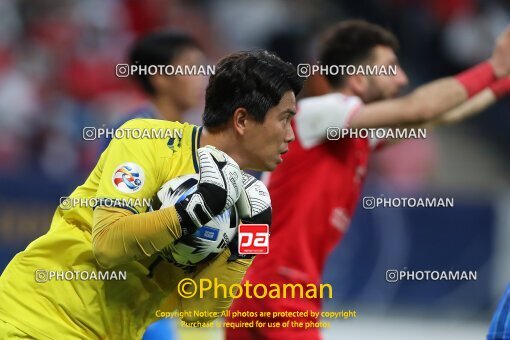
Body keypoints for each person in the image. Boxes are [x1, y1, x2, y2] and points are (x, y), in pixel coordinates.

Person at [226, 20, 510, 340]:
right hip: (279, 287)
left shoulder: (352, 132)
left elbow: (440, 115)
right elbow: (419, 108)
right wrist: (494, 66)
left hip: (263, 285)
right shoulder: (322, 112)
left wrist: (502, 80)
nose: (402, 78)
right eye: (391, 68)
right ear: (358, 79)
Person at [0, 50, 303, 339]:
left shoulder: (243, 203)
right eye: (284, 118)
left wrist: (246, 245)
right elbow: (108, 245)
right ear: (242, 120)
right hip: (35, 319)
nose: (291, 134)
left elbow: (197, 313)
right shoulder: (147, 140)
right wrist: (192, 212)